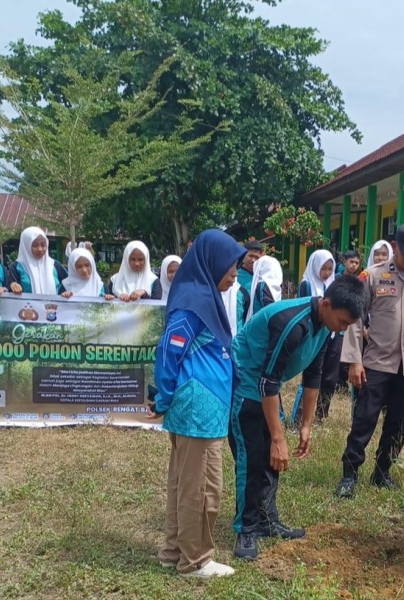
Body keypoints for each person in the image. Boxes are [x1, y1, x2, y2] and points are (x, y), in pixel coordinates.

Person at [229, 276, 368, 560]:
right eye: (342, 322)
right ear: (326, 305)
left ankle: (268, 521)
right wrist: (279, 438)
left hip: (267, 387)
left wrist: (306, 425)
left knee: (272, 459)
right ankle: (247, 529)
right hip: (245, 385)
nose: (343, 329)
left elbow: (313, 374)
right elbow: (267, 382)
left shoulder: (326, 326)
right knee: (253, 459)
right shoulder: (292, 323)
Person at [147, 229, 246, 579]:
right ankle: (196, 560)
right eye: (230, 266)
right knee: (203, 487)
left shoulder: (203, 296)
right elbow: (168, 351)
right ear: (210, 263)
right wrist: (163, 395)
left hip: (203, 408)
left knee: (184, 483)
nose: (235, 273)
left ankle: (174, 551)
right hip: (196, 409)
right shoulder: (193, 303)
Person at [335, 223, 404, 499]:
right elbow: (356, 318)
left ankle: (382, 471)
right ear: (395, 247)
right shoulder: (372, 276)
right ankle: (349, 473)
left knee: (400, 421)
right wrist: (354, 360)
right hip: (376, 362)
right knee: (364, 419)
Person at [296, 249, 337, 423]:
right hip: (312, 335)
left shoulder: (331, 285)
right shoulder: (306, 284)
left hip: (328, 333)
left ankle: (319, 413)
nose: (326, 273)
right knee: (310, 373)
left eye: (330, 268)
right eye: (323, 268)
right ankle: (298, 416)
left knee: (325, 374)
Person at [8, 226, 68, 295]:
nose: (40, 249)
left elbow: (68, 285)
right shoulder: (17, 267)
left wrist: (66, 293)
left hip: (53, 305)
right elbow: (10, 292)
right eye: (35, 245)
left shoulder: (54, 265)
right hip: (27, 305)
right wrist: (13, 286)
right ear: (26, 245)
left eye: (43, 245)